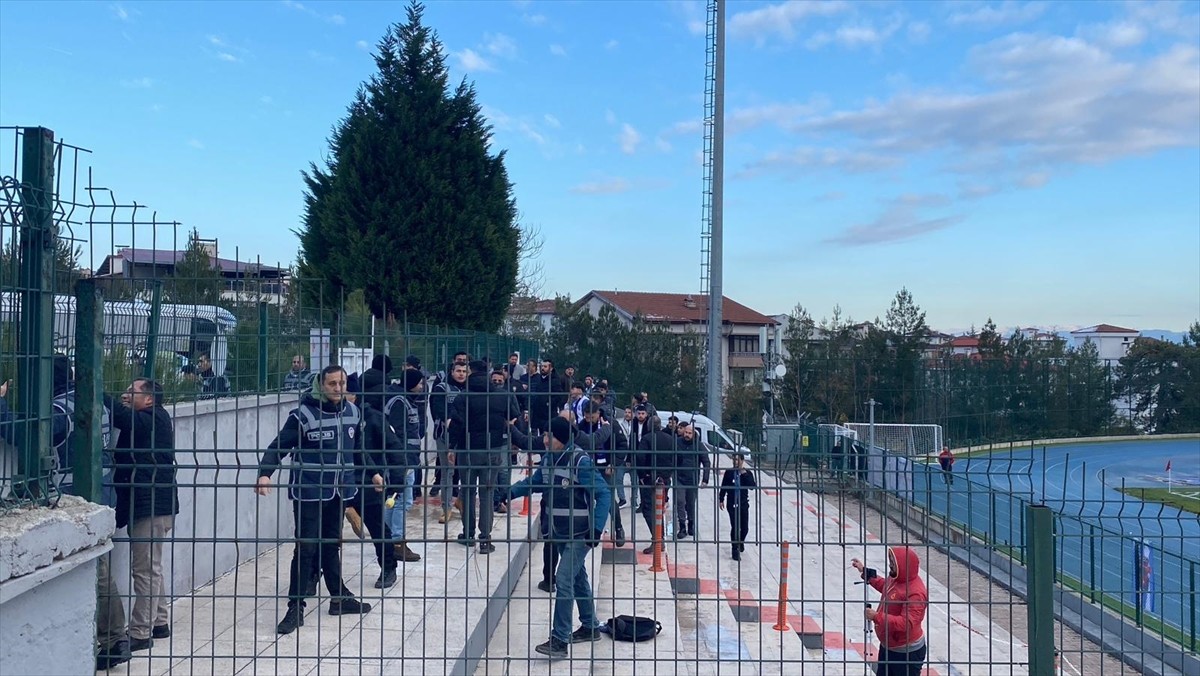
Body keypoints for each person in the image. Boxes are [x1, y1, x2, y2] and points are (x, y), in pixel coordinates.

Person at [256, 366, 372, 635]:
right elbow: (279, 445)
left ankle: (339, 598)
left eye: (342, 383)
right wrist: (265, 474)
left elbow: (360, 449)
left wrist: (375, 472)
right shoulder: (302, 415)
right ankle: (295, 608)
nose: (338, 388)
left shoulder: (353, 412)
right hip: (308, 491)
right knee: (306, 547)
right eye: (332, 383)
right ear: (321, 385)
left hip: (339, 491)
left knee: (332, 544)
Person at [508, 416, 611, 659]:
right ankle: (590, 626)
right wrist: (507, 493)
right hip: (558, 531)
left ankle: (559, 639)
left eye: (548, 436)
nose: (544, 440)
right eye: (544, 435)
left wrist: (596, 529)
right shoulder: (549, 460)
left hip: (580, 534)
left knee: (563, 580)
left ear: (561, 439)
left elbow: (604, 494)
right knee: (577, 579)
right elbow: (533, 483)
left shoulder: (580, 462)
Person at [109, 377, 178, 654]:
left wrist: (94, 391)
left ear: (149, 399)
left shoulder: (152, 419)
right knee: (152, 566)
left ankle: (140, 631)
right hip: (152, 503)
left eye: (131, 392)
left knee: (145, 569)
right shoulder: (151, 417)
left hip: (151, 506)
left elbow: (123, 418)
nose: (125, 395)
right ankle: (159, 622)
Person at [449, 360, 520, 554]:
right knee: (487, 494)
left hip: (468, 450)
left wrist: (451, 448)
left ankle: (468, 535)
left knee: (468, 492)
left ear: (471, 372)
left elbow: (456, 425)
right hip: (493, 449)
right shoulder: (501, 396)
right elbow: (514, 416)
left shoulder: (463, 398)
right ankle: (485, 539)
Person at [851, 547, 929, 676]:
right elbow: (885, 585)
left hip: (906, 652)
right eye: (890, 561)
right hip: (889, 646)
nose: (890, 565)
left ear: (904, 565)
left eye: (893, 562)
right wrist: (865, 572)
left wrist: (877, 617)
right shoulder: (897, 578)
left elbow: (906, 623)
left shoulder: (916, 593)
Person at [382, 368, 426, 563]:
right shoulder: (400, 402)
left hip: (407, 458)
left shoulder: (404, 400)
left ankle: (389, 539)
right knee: (402, 501)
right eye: (420, 383)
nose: (423, 386)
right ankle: (397, 542)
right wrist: (402, 459)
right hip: (403, 459)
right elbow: (397, 433)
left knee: (394, 499)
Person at [574, 401, 628, 547]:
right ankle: (591, 528)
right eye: (586, 417)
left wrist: (614, 463)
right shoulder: (581, 425)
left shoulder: (611, 424)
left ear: (598, 414)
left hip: (606, 467)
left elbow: (623, 445)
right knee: (587, 497)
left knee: (609, 499)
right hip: (588, 466)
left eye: (591, 417)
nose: (588, 420)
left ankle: (618, 528)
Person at [429, 362, 468, 523]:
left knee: (467, 471)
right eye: (458, 371)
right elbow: (439, 410)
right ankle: (446, 508)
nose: (461, 374)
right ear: (451, 372)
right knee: (448, 472)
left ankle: (460, 500)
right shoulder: (441, 388)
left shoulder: (469, 389)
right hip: (445, 436)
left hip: (466, 436)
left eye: (464, 371)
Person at [634, 414, 676, 554]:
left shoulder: (647, 439)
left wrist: (642, 475)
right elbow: (678, 457)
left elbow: (640, 456)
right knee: (659, 509)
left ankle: (657, 539)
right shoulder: (670, 439)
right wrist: (669, 471)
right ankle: (660, 538)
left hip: (650, 479)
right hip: (665, 479)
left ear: (648, 426)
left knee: (649, 509)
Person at [672, 421, 710, 539]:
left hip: (692, 479)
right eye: (686, 432)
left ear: (694, 434)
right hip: (679, 478)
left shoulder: (699, 445)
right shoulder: (677, 442)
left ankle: (691, 525)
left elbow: (706, 462)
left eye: (689, 433)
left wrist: (705, 479)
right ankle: (682, 526)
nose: (687, 435)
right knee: (680, 501)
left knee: (690, 504)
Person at [718, 454, 756, 561]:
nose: (735, 462)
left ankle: (740, 542)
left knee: (744, 528)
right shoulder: (729, 473)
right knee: (735, 527)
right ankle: (735, 549)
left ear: (742, 461)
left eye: (737, 460)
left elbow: (752, 486)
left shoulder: (747, 473)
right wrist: (721, 499)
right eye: (733, 460)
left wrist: (743, 474)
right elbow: (724, 486)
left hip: (743, 504)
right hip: (732, 503)